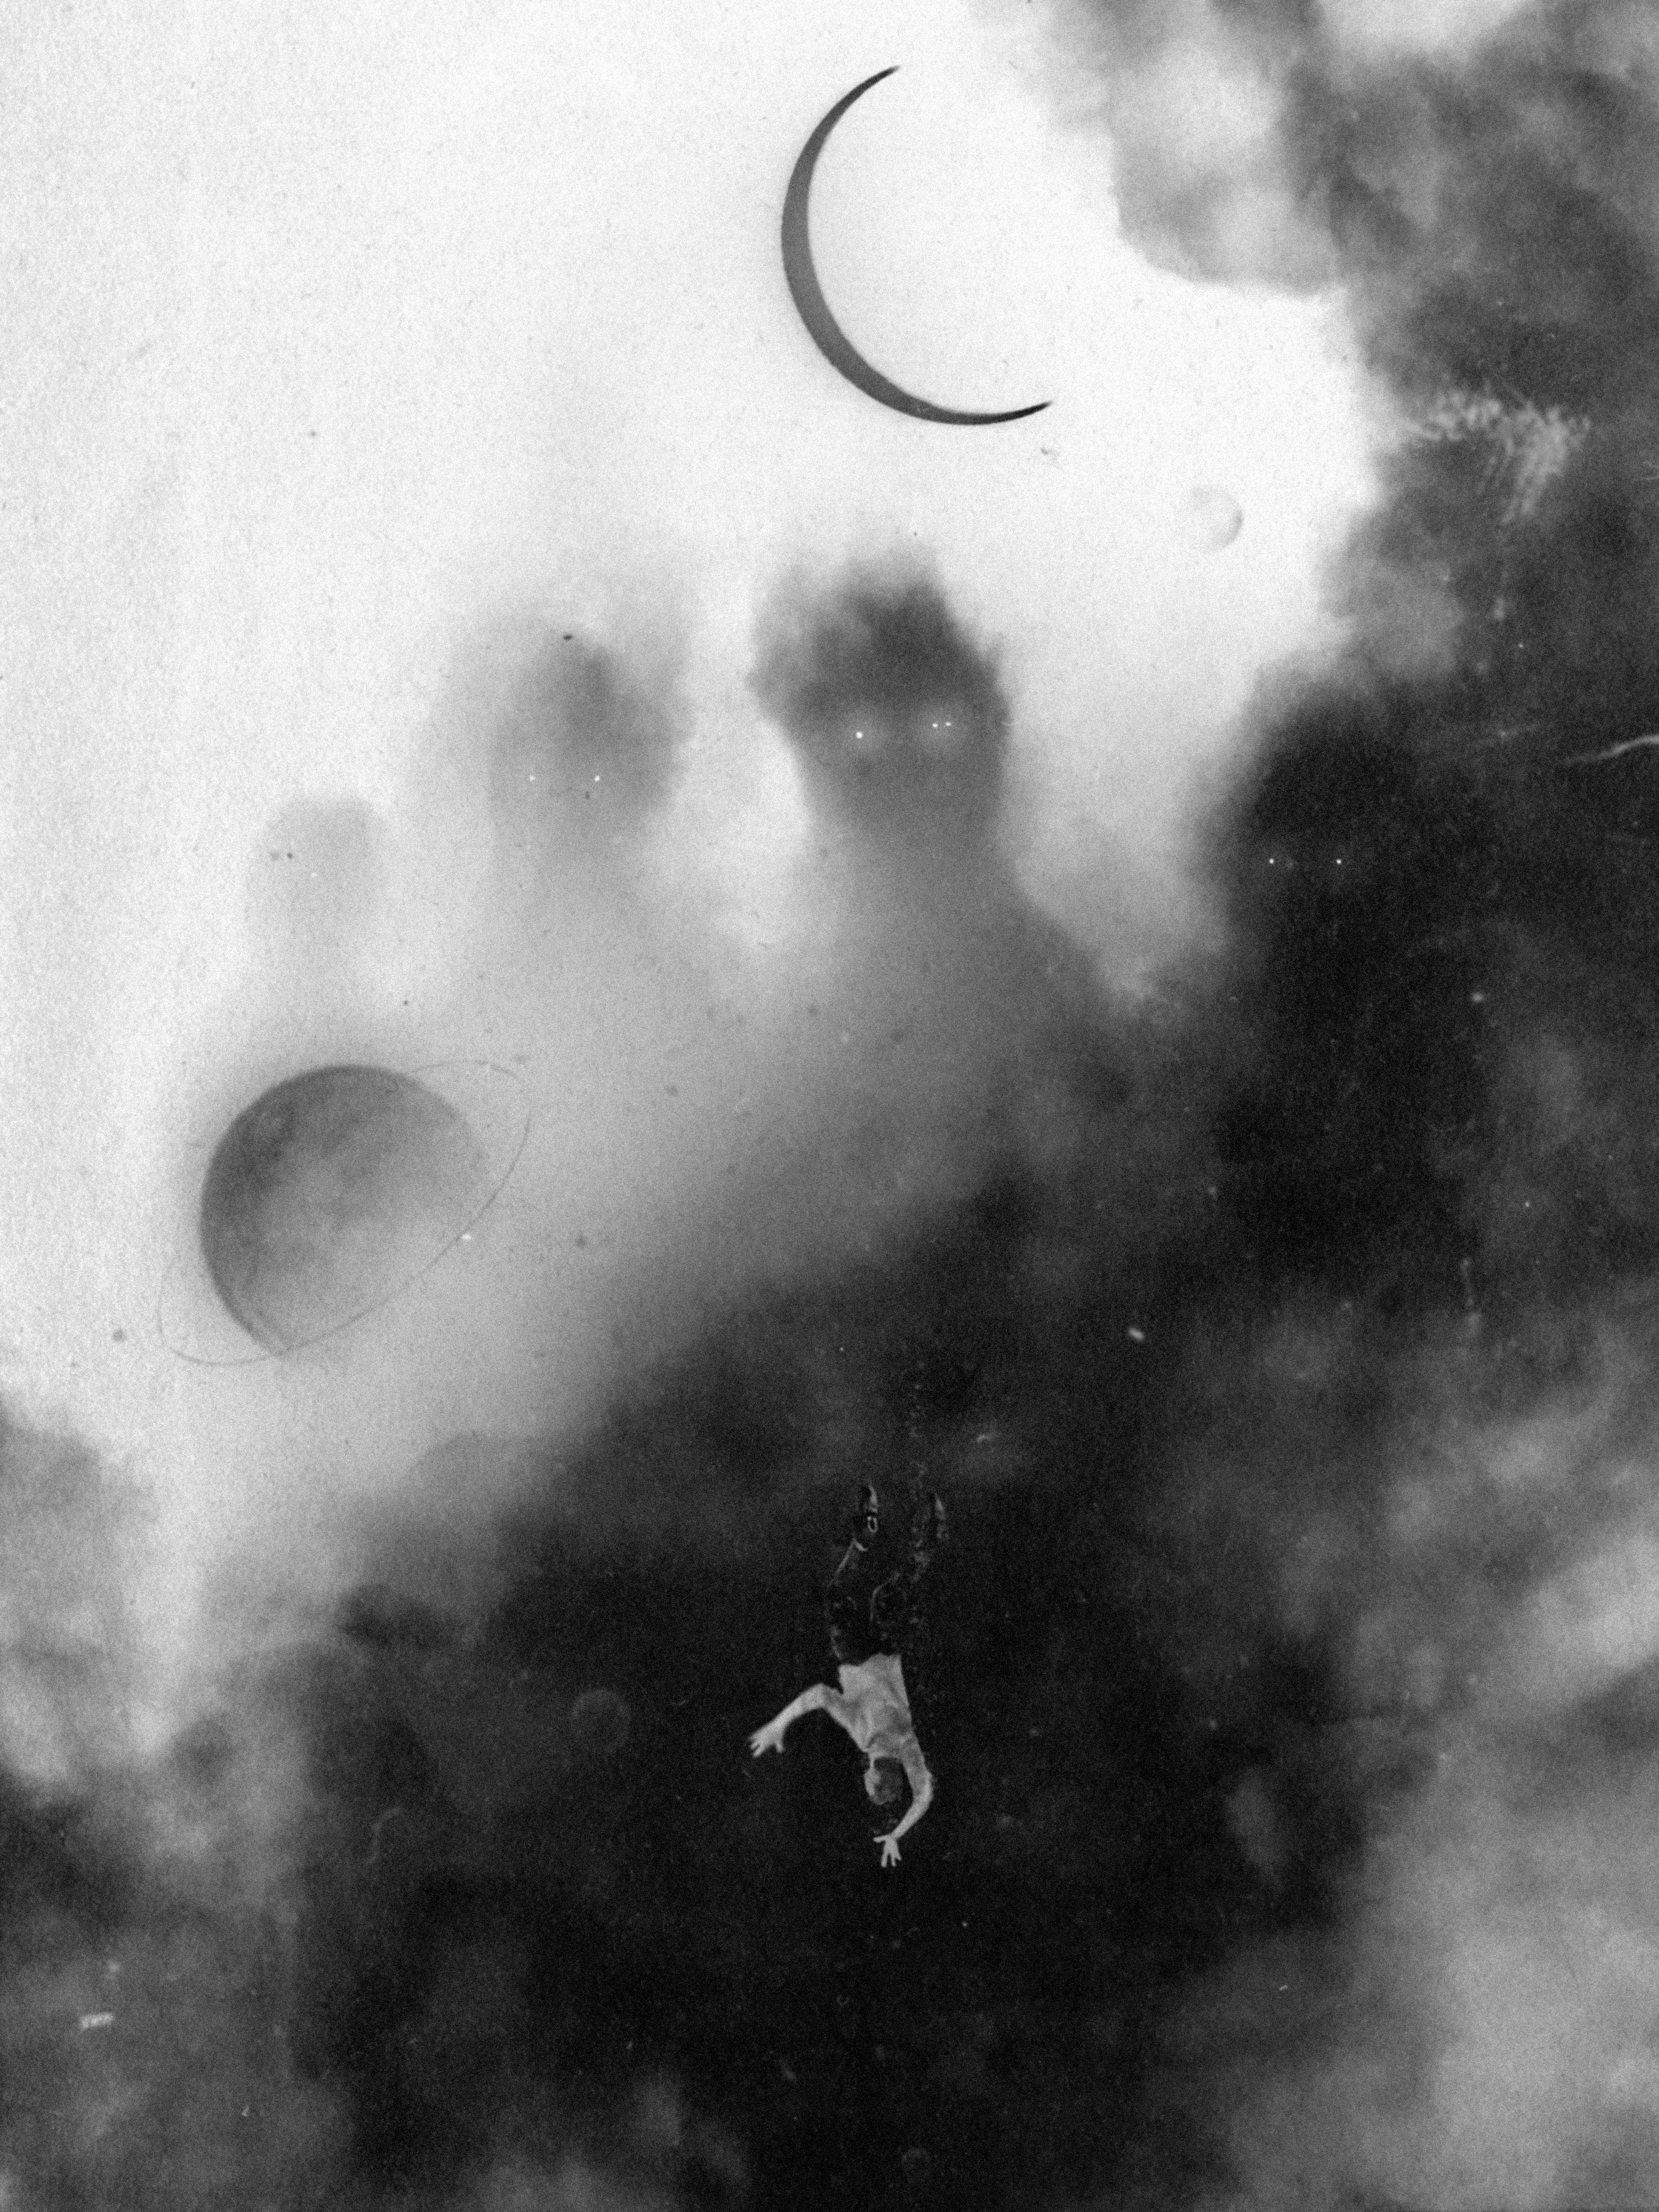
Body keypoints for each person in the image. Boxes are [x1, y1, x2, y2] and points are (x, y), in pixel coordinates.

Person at [750, 1483, 945, 1867]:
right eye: (870, 1786)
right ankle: (873, 1543)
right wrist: (778, 1725)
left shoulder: (898, 1744)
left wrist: (900, 1831)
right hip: (860, 1655)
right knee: (846, 1595)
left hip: (878, 1652)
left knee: (877, 1597)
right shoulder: (871, 1737)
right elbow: (820, 1695)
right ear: (876, 1777)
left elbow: (924, 1795)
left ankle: (910, 1543)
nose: (865, 1781)